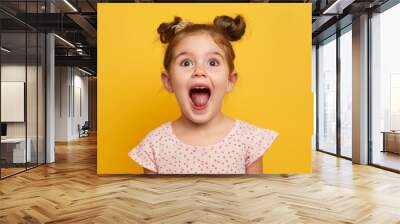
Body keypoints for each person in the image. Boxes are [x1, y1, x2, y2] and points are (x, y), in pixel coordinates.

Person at [128, 15, 278, 174]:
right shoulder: (154, 145)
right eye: (186, 63)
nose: (199, 71)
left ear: (230, 80)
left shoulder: (250, 140)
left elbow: (254, 197)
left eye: (212, 63)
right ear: (169, 81)